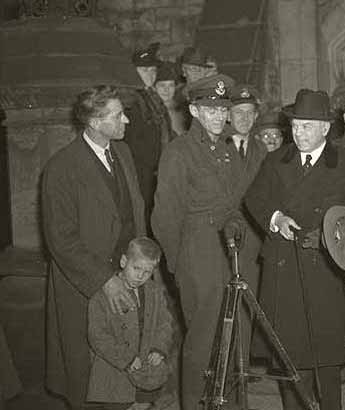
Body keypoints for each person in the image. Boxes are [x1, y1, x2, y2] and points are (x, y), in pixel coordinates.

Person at [244, 89, 345, 410]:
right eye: (295, 126)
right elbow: (255, 199)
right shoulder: (277, 159)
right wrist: (275, 218)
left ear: (326, 129)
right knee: (289, 356)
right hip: (284, 267)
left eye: (306, 126)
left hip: (327, 270)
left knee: (326, 357)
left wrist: (330, 236)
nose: (298, 133)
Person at [42, 85, 146, 410]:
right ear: (94, 122)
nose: (126, 120)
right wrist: (105, 279)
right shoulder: (61, 168)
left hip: (126, 278)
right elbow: (61, 239)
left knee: (123, 367)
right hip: (85, 285)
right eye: (117, 115)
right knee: (87, 378)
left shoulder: (123, 154)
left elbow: (131, 215)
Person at [151, 73, 243, 410]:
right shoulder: (179, 152)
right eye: (211, 109)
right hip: (197, 254)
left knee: (230, 336)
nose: (219, 116)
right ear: (194, 110)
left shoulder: (228, 151)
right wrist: (179, 265)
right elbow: (164, 216)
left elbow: (235, 202)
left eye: (223, 109)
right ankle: (194, 404)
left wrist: (233, 224)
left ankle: (226, 403)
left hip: (227, 252)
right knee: (202, 340)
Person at [87, 237, 174, 410]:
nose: (140, 276)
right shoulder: (101, 297)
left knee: (143, 405)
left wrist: (159, 348)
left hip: (145, 370)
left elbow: (165, 323)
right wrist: (125, 359)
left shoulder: (154, 292)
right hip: (115, 371)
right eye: (136, 268)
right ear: (123, 261)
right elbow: (97, 336)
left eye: (147, 272)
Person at [227, 84, 268, 369]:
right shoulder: (218, 146)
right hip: (225, 237)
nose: (243, 118)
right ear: (228, 115)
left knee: (249, 299)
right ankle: (227, 364)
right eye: (238, 112)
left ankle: (242, 364)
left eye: (249, 113)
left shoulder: (260, 148)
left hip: (253, 238)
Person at [125, 43, 174, 232]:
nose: (151, 74)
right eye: (145, 70)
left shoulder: (150, 97)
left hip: (155, 170)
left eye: (153, 70)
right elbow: (132, 141)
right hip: (141, 171)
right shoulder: (131, 100)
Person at [155, 61, 189, 137]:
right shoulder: (147, 111)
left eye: (171, 85)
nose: (166, 90)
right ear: (154, 88)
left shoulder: (184, 110)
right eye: (162, 85)